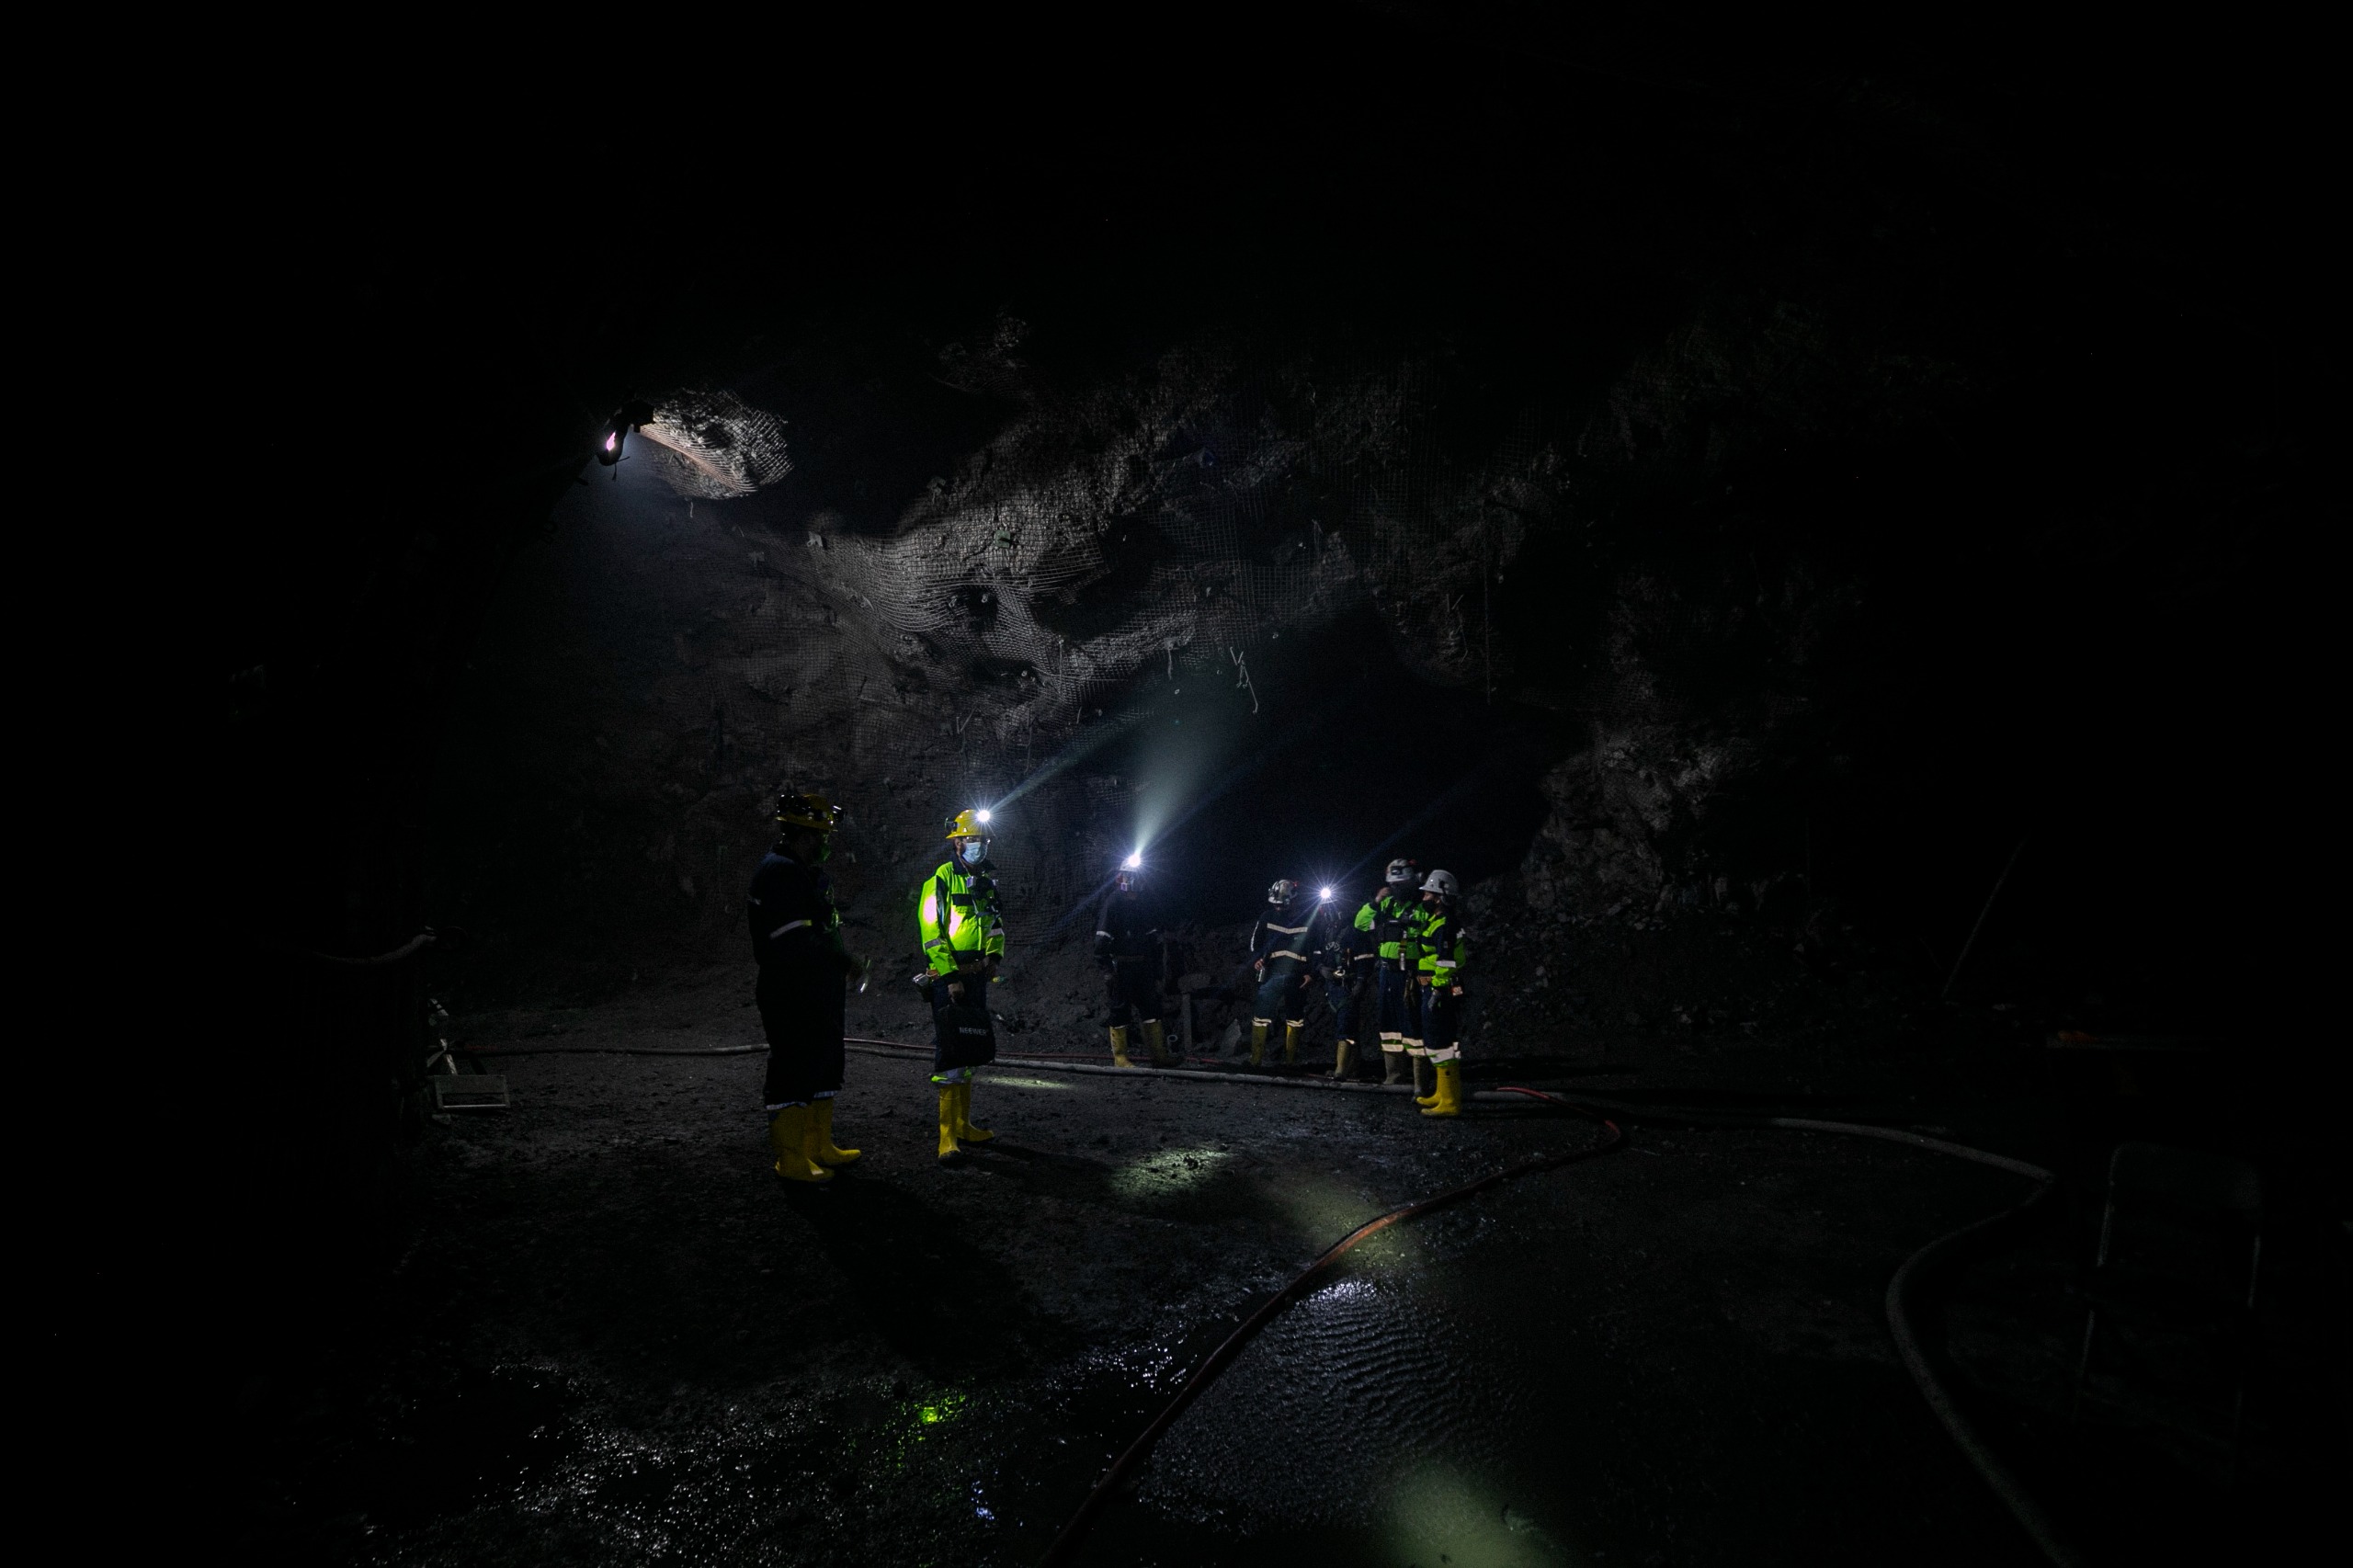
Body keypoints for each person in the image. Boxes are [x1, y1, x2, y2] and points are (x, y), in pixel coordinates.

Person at [749, 789, 869, 1184]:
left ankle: (819, 1146)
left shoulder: (804, 873)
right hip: (791, 989)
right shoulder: (780, 873)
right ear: (805, 834)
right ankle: (791, 1159)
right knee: (793, 1066)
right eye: (823, 835)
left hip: (816, 988)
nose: (827, 842)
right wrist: (843, 962)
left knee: (823, 1063)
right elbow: (796, 942)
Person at [917, 809, 1006, 1162]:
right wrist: (951, 977)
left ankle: (963, 1125)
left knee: (970, 1047)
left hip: (976, 975)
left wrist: (994, 957)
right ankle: (947, 1137)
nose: (979, 845)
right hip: (949, 978)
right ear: (956, 843)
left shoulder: (986, 881)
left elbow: (995, 924)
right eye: (972, 839)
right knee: (951, 1051)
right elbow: (931, 933)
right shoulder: (940, 880)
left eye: (982, 840)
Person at [1095, 860, 1175, 1066]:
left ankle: (1158, 1056)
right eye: (1130, 875)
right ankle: (1120, 1058)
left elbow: (1153, 938)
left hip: (1143, 966)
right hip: (1121, 968)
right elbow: (1101, 940)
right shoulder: (1114, 902)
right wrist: (1107, 970)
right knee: (1120, 1010)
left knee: (1151, 1010)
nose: (1134, 880)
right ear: (1121, 877)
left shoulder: (1143, 903)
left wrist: (1157, 970)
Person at [1358, 858, 1427, 1087]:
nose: (1397, 888)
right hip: (1387, 973)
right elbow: (1360, 924)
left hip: (1411, 974)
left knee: (1413, 1025)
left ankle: (1420, 1080)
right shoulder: (1386, 905)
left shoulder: (1422, 907)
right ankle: (1394, 1076)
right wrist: (1376, 901)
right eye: (1393, 885)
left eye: (1401, 884)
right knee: (1388, 1026)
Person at [1413, 869, 1472, 1117]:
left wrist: (1437, 988)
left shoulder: (1445, 924)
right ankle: (1442, 1093)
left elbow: (1446, 961)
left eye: (1428, 893)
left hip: (1439, 989)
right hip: (1433, 986)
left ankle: (1449, 1101)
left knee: (1440, 1041)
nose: (1424, 897)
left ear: (1439, 897)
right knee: (1438, 1041)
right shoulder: (1437, 921)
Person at [1249, 878, 1316, 1065]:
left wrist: (1311, 973)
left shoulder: (1308, 919)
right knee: (1261, 1015)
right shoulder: (1267, 917)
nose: (1277, 908)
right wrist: (1257, 959)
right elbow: (1255, 942)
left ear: (1293, 900)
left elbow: (1317, 948)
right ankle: (1255, 1060)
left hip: (1297, 975)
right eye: (1275, 904)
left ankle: (1290, 1062)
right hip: (1271, 973)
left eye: (1281, 904)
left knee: (1295, 1018)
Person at [1315, 884, 1376, 1078]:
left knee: (1345, 1026)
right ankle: (1353, 1066)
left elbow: (1365, 959)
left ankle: (1341, 1069)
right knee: (1347, 1026)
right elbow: (1318, 954)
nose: (1329, 913)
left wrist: (1360, 982)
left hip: (1348, 985)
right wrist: (1320, 968)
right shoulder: (1327, 931)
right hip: (1333, 986)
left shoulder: (1355, 931)